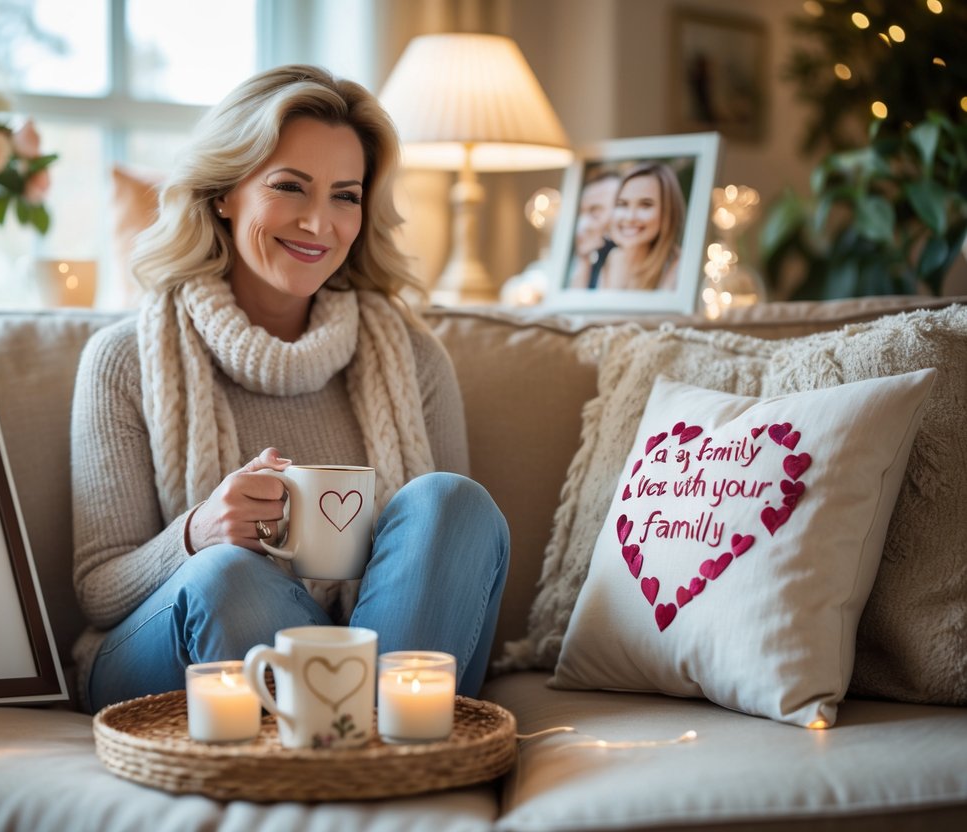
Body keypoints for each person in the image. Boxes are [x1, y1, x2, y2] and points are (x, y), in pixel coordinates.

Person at [71, 64, 510, 712]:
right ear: (223, 193)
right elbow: (98, 591)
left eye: (345, 196)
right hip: (173, 648)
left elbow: (445, 577)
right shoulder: (123, 359)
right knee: (226, 575)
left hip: (379, 651)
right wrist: (198, 531)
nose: (318, 222)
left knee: (453, 502)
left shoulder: (413, 358)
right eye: (289, 187)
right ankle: (364, 730)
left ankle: (357, 732)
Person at [598, 162, 686, 292]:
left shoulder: (681, 268)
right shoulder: (613, 258)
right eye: (623, 204)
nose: (630, 217)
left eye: (646, 205)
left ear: (668, 212)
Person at [566, 169, 618, 290]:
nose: (584, 223)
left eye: (595, 210)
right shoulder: (572, 258)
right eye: (581, 212)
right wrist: (583, 260)